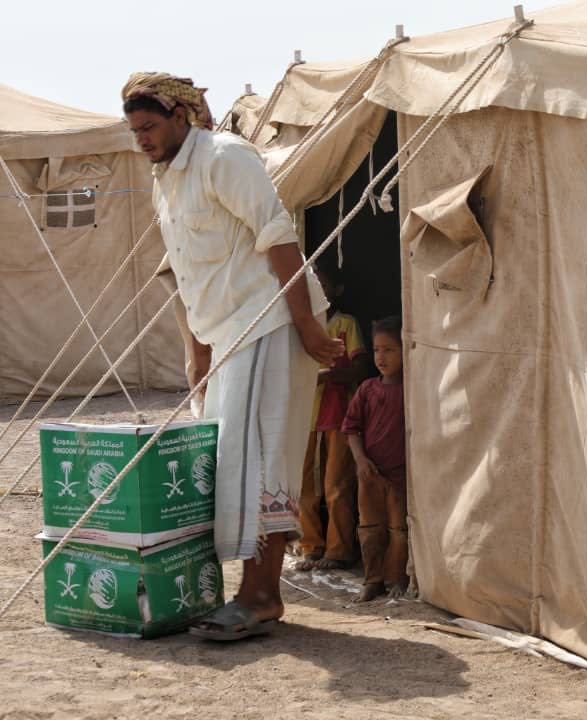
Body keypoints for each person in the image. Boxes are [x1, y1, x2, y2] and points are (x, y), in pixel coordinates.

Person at [122, 72, 343, 640]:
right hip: (225, 335)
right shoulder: (165, 182)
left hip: (269, 320)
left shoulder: (225, 157)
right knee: (228, 463)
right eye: (135, 131)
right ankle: (250, 592)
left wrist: (307, 328)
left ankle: (262, 596)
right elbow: (190, 274)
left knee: (260, 461)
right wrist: (197, 353)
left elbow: (279, 236)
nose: (141, 139)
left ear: (180, 116)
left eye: (149, 127)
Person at [297, 265, 366, 571]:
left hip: (337, 415)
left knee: (336, 484)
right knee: (305, 487)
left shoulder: (345, 325)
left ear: (336, 291)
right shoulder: (301, 326)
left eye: (322, 284)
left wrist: (325, 375)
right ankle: (311, 545)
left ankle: (339, 551)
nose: (317, 290)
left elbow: (361, 366)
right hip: (305, 417)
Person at [342, 316, 408, 601]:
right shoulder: (368, 389)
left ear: (405, 351)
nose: (381, 356)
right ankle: (373, 580)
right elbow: (351, 428)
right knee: (369, 529)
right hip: (369, 475)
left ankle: (396, 579)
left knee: (399, 530)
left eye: (390, 349)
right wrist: (360, 460)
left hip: (400, 475)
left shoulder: (411, 391)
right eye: (377, 349)